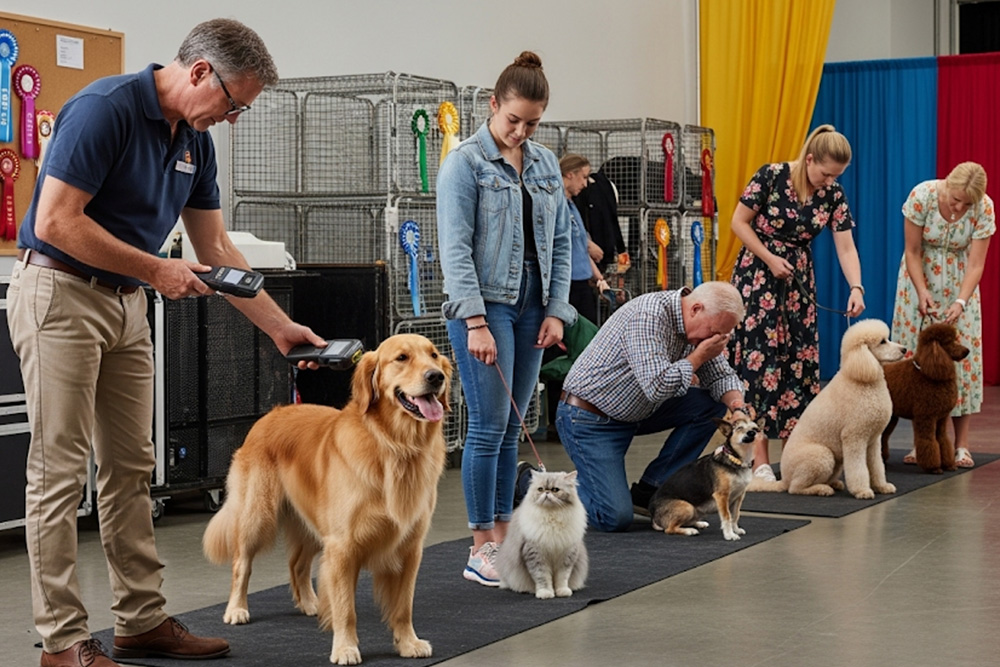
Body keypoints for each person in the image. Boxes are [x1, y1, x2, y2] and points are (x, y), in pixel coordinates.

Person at [7, 19, 326, 667]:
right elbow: (54, 221)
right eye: (234, 102)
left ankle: (141, 619)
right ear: (200, 71)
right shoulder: (105, 111)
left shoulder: (195, 142)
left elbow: (216, 250)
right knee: (59, 473)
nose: (234, 118)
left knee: (131, 469)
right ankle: (62, 640)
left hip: (127, 305)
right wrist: (156, 269)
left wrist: (277, 325)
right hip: (60, 295)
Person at [437, 52, 575, 586]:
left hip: (534, 308)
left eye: (533, 123)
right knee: (489, 427)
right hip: (485, 306)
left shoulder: (542, 164)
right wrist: (474, 322)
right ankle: (480, 546)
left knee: (515, 429)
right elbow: (456, 250)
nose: (521, 131)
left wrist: (558, 312)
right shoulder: (464, 163)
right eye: (513, 119)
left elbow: (561, 242)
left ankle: (504, 533)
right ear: (492, 105)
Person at [728, 124, 865, 482]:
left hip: (798, 280)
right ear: (809, 160)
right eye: (825, 173)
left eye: (836, 176)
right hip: (758, 276)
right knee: (760, 364)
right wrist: (769, 258)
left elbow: (846, 245)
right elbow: (739, 223)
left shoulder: (833, 194)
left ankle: (794, 455)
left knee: (800, 363)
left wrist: (856, 287)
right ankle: (758, 461)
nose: (829, 181)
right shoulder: (771, 176)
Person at [553, 281, 748, 533]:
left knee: (710, 404)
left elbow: (721, 376)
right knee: (613, 517)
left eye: (720, 336)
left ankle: (652, 489)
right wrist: (699, 356)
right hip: (589, 418)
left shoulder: (699, 328)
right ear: (696, 309)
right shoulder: (648, 316)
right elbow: (656, 386)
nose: (714, 340)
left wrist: (738, 407)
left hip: (636, 410)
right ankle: (539, 484)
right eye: (713, 332)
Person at [891, 162, 995, 468]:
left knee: (963, 363)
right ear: (947, 184)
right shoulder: (922, 196)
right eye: (955, 200)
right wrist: (922, 291)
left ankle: (961, 445)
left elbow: (976, 264)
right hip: (918, 280)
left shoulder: (984, 207)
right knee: (916, 363)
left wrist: (961, 302)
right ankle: (920, 444)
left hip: (960, 287)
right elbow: (912, 251)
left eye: (966, 203)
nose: (959, 206)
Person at [561, 153, 610, 324]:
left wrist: (599, 279)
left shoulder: (572, 205)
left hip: (582, 280)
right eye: (583, 177)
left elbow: (580, 248)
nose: (585, 183)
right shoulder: (557, 205)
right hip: (567, 282)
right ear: (570, 174)